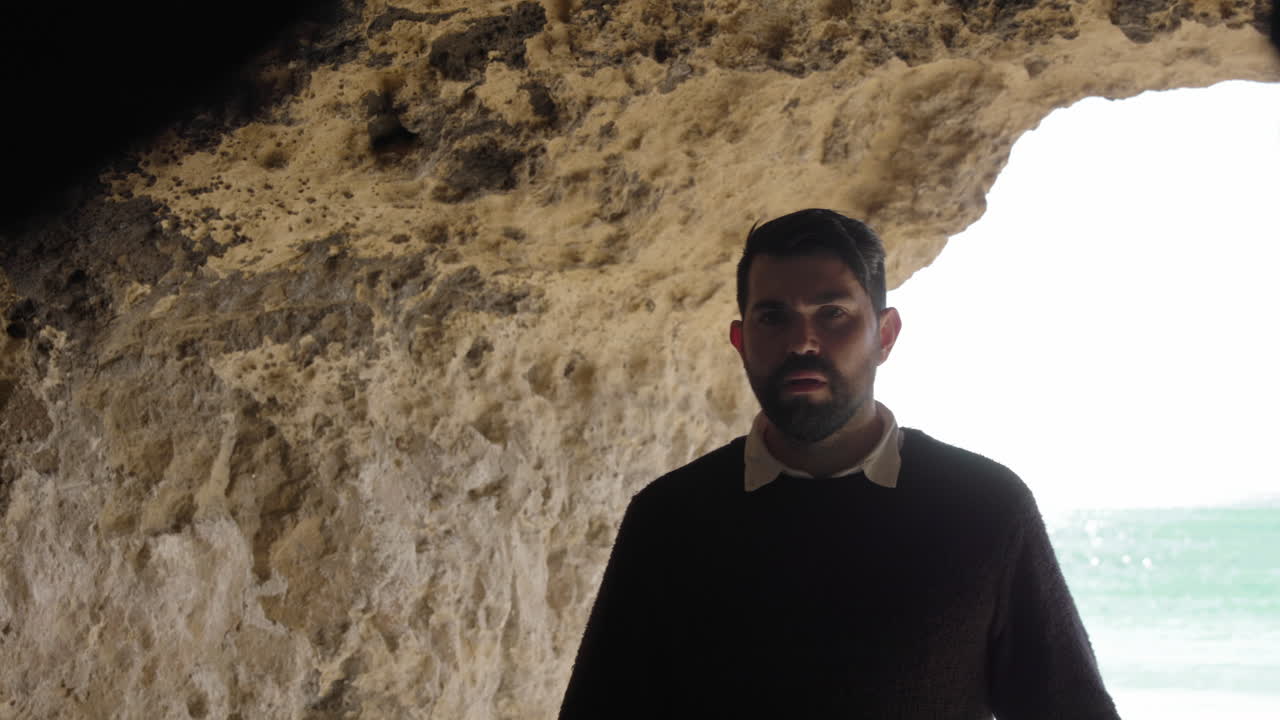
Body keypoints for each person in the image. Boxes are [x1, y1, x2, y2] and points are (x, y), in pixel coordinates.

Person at [557, 209, 1120, 719]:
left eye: (833, 314)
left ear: (885, 335)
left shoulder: (984, 507)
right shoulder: (671, 519)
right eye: (773, 317)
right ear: (740, 340)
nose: (803, 342)